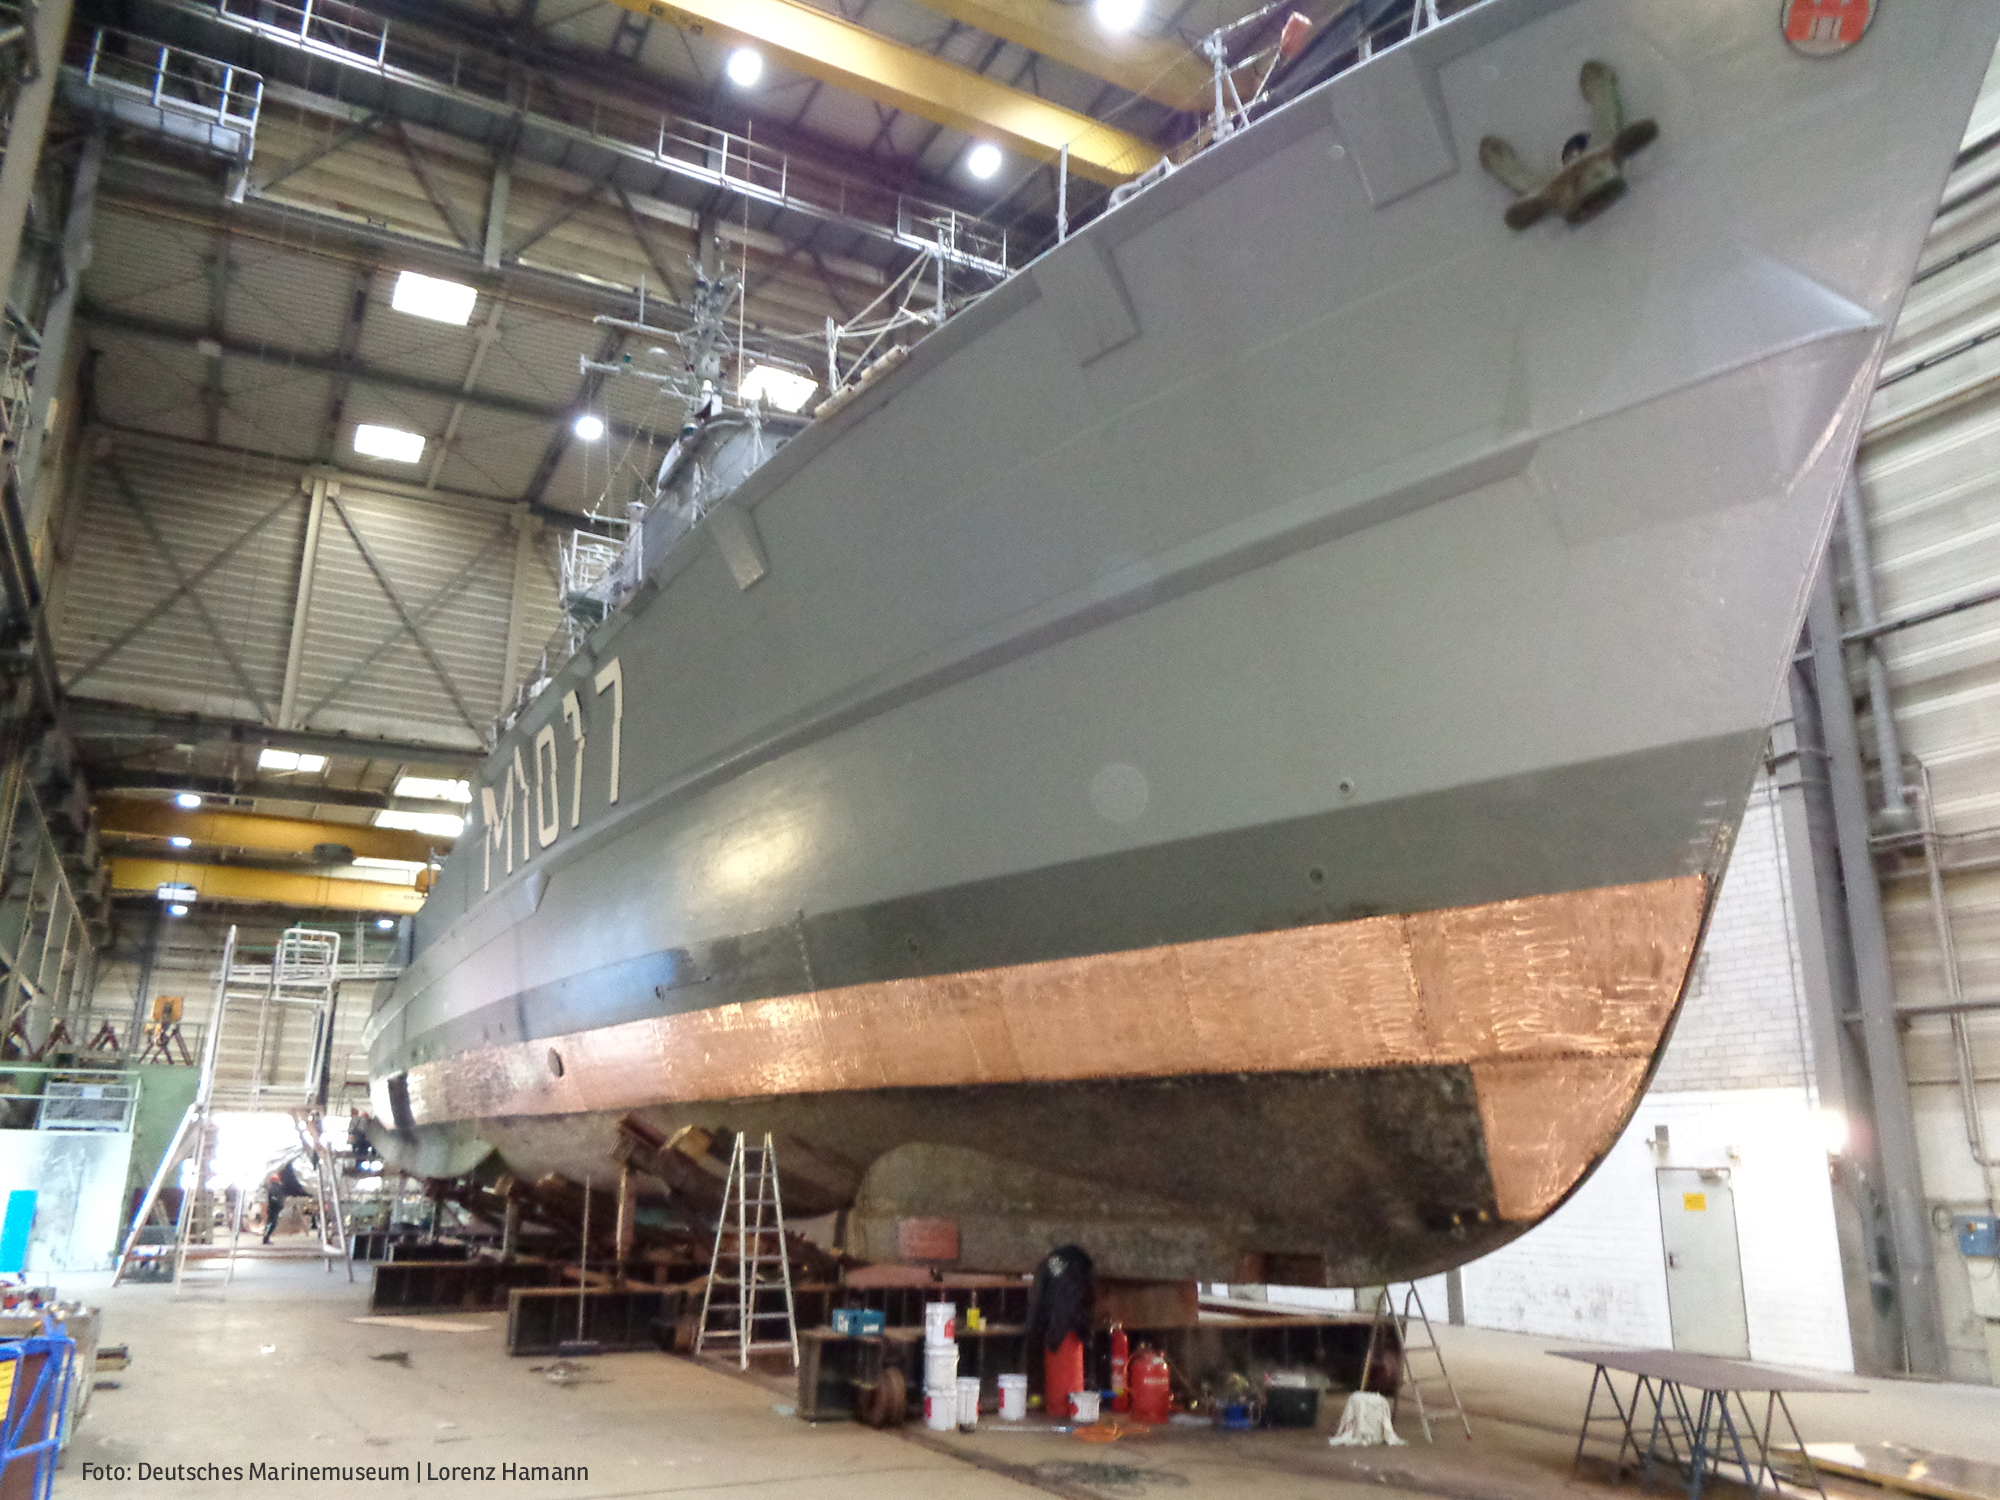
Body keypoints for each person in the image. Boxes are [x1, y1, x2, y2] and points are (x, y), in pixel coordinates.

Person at [262, 1159, 307, 1244]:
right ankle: (266, 1238)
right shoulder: (275, 1188)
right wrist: (278, 1203)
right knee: (271, 1223)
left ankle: (266, 1237)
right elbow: (274, 1197)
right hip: (274, 1208)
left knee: (271, 1223)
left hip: (274, 1207)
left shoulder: (275, 1187)